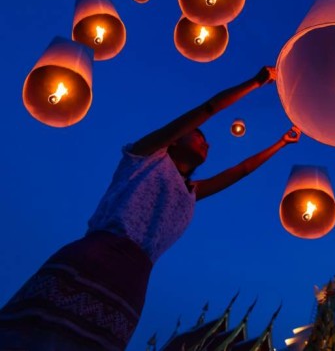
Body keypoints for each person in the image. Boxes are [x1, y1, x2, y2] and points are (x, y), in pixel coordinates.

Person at [0, 66, 300, 351]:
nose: (205, 142)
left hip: (133, 279)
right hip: (97, 255)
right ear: (174, 140)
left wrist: (281, 143)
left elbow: (240, 171)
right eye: (198, 134)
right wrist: (256, 81)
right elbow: (207, 109)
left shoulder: (190, 192)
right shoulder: (145, 156)